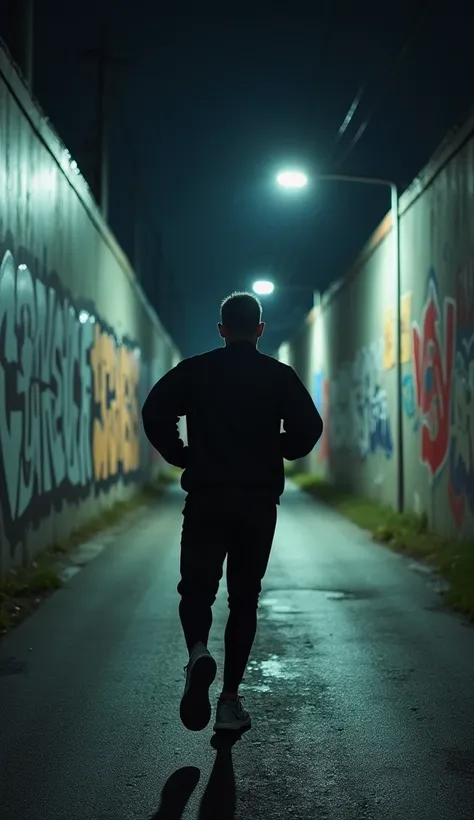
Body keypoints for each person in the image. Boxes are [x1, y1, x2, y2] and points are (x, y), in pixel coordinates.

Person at [141, 292, 323, 733]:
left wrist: (180, 453)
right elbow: (310, 427)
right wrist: (279, 448)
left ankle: (199, 653)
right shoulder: (277, 376)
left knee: (196, 590)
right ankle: (228, 700)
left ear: (221, 329)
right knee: (244, 598)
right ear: (260, 329)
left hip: (206, 498)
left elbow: (154, 410)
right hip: (257, 503)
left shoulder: (197, 371)